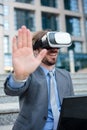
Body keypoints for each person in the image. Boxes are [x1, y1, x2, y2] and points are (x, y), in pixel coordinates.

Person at [4, 26, 74, 130]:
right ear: (36, 51)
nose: (54, 50)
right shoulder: (29, 74)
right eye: (48, 47)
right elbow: (11, 90)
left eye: (56, 46)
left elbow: (71, 106)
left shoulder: (65, 75)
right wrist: (20, 76)